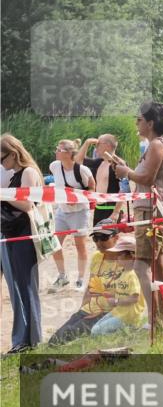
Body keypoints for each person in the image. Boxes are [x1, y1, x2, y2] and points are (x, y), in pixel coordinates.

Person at [113, 102, 163, 327]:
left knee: (142, 266)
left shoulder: (157, 146)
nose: (136, 123)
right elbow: (146, 175)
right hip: (154, 210)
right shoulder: (158, 145)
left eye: (139, 119)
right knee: (158, 264)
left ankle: (154, 319)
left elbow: (147, 178)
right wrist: (126, 168)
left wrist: (126, 172)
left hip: (151, 212)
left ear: (151, 123)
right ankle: (161, 318)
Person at [48, 220, 144, 344]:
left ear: (116, 237)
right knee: (56, 337)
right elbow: (90, 288)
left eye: (103, 237)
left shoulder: (127, 259)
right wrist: (81, 310)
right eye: (96, 238)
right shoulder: (97, 257)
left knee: (64, 338)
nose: (99, 242)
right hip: (91, 308)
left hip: (109, 311)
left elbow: (131, 295)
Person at [1, 135, 43, 354]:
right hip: (13, 234)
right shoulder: (15, 174)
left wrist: (3, 195)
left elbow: (27, 204)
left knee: (26, 288)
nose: (1, 163)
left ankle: (31, 340)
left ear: (13, 153)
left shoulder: (28, 172)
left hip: (24, 235)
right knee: (18, 288)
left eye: (2, 158)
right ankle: (24, 339)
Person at [49, 139, 95, 290]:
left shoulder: (82, 170)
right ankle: (62, 276)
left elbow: (92, 189)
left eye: (59, 150)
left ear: (69, 154)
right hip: (62, 211)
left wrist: (76, 200)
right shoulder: (54, 166)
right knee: (55, 244)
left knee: (80, 245)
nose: (56, 151)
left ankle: (81, 279)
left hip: (80, 212)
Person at [76, 134, 122, 225]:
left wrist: (116, 212)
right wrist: (87, 143)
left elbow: (124, 190)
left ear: (107, 145)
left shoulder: (118, 164)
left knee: (109, 239)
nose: (96, 147)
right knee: (97, 239)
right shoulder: (99, 162)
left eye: (98, 144)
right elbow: (78, 161)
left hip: (111, 209)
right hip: (98, 208)